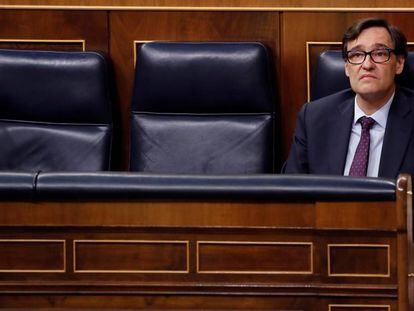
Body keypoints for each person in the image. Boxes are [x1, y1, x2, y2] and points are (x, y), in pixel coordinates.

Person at [283, 17, 414, 178]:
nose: (367, 64)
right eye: (357, 55)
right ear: (347, 67)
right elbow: (292, 190)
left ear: (399, 64)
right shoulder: (314, 118)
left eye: (380, 53)